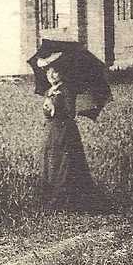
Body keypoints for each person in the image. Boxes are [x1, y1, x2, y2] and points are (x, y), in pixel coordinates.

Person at [37, 52, 106, 212]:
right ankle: (52, 198)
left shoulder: (67, 90)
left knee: (65, 163)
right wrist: (48, 109)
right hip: (51, 131)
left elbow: (70, 112)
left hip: (65, 131)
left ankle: (68, 202)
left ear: (62, 73)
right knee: (52, 160)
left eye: (55, 71)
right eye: (49, 72)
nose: (51, 75)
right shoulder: (49, 91)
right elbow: (48, 114)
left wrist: (55, 108)